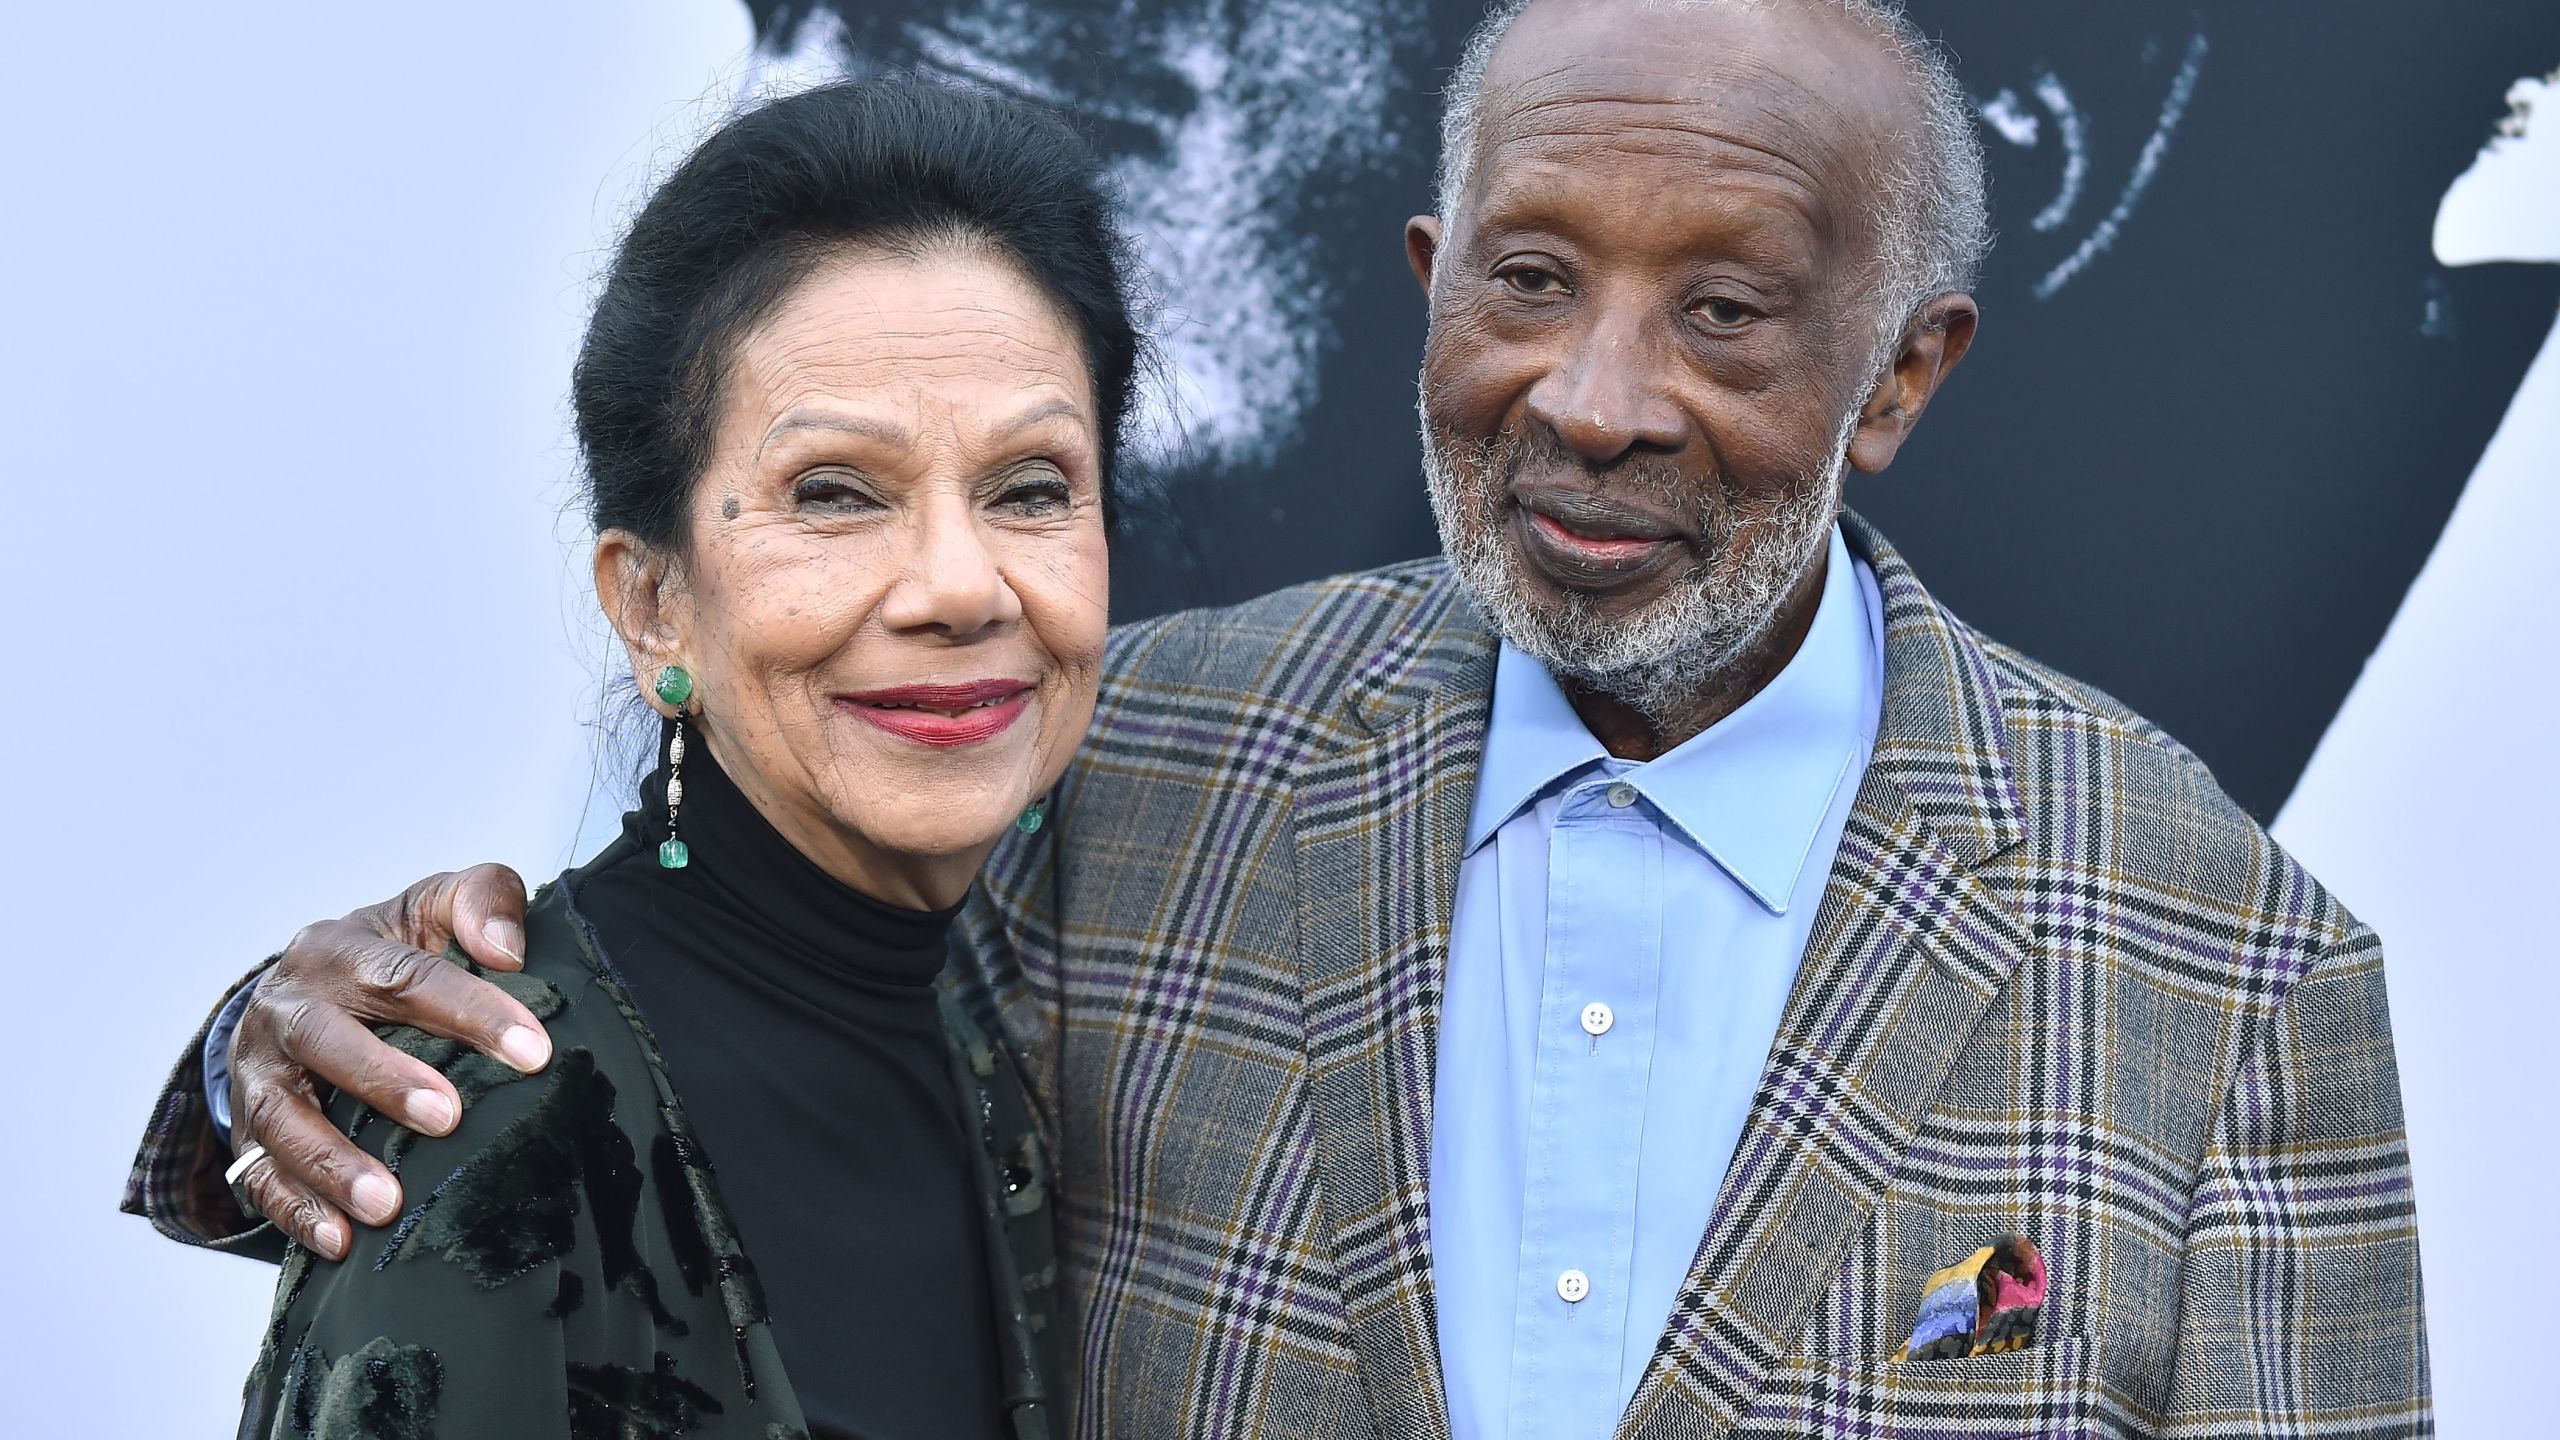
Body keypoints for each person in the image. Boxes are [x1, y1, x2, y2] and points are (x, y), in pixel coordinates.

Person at [128, 2, 2431, 1436]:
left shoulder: (2223, 969)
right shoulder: (1129, 764)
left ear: (1901, 370)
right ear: (1434, 293)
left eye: (1724, 312)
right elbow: (709, 1075)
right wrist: (287, 1037)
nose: (1594, 406)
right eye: (1526, 285)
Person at [151, 76, 1145, 1439]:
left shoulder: (1024, 1039)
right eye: (836, 494)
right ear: (652, 603)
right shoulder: (499, 1126)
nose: (959, 586)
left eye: (1030, 488)